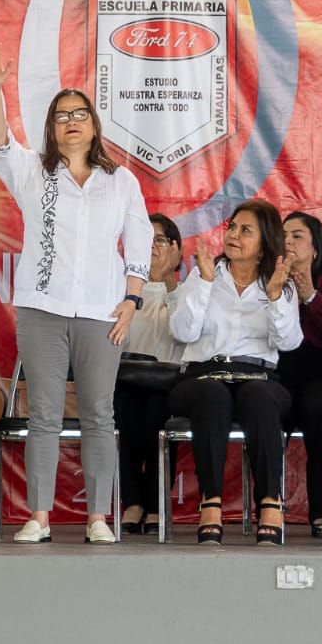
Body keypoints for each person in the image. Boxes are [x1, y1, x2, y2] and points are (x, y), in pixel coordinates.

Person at [0, 40, 151, 544]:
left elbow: (139, 239)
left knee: (99, 412)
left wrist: (132, 299)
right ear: (52, 129)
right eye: (61, 116)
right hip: (41, 308)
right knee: (45, 415)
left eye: (80, 114)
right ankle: (39, 517)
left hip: (102, 311)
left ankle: (99, 517)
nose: (71, 121)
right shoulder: (33, 171)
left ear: (94, 124)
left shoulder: (120, 183)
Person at [167, 200, 301, 546]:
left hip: (258, 377)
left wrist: (274, 300)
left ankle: (270, 500)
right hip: (202, 374)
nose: (234, 236)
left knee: (258, 397)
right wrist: (204, 284)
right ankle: (210, 500)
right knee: (212, 395)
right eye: (232, 228)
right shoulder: (204, 272)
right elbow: (182, 332)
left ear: (264, 243)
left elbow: (287, 343)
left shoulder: (278, 282)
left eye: (246, 230)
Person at [277, 211, 322, 538]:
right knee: (265, 409)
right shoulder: (269, 282)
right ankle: (269, 508)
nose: (288, 242)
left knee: (318, 410)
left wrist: (310, 296)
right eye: (283, 236)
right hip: (281, 373)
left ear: (315, 247)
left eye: (297, 236)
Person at [113, 213, 184, 535]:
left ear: (177, 250)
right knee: (122, 407)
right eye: (145, 241)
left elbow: (184, 332)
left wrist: (167, 283)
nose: (152, 248)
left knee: (160, 411)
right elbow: (114, 340)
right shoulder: (122, 292)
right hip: (126, 379)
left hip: (170, 384)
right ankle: (134, 501)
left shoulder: (188, 292)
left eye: (159, 240)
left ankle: (155, 503)